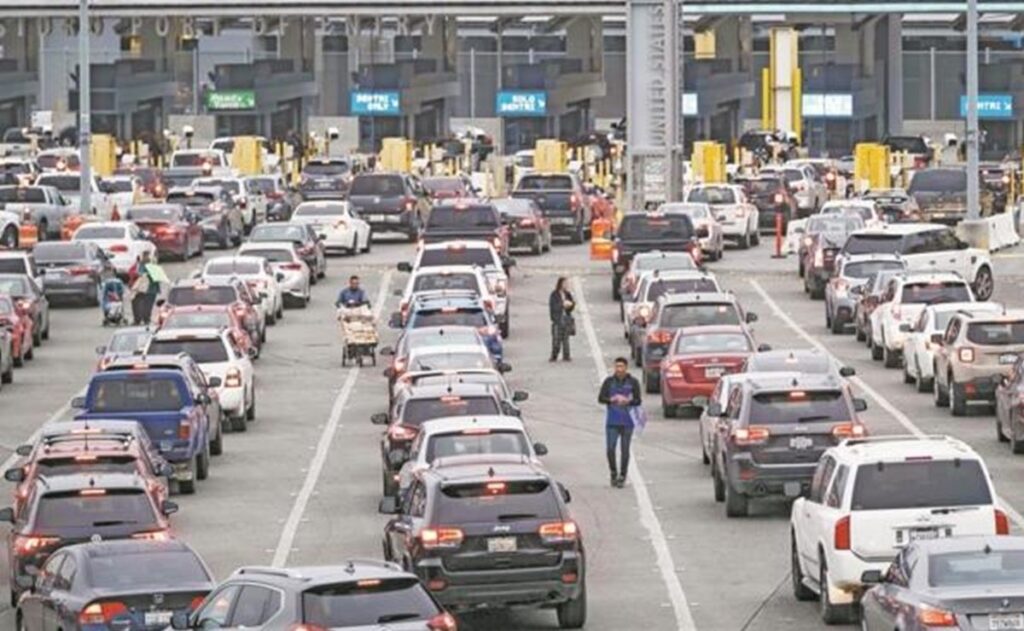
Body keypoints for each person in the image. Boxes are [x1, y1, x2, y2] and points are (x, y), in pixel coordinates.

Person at [598, 357, 642, 488]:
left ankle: (623, 475)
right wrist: (611, 400)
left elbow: (638, 400)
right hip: (612, 421)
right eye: (617, 366)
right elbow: (600, 398)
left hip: (627, 421)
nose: (619, 369)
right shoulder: (609, 382)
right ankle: (613, 472)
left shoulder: (633, 382)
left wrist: (628, 401)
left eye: (621, 366)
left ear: (626, 368)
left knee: (625, 449)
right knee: (610, 449)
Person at [548, 277, 574, 362]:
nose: (566, 285)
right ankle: (554, 355)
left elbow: (572, 304)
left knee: (566, 339)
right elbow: (553, 307)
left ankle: (566, 355)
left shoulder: (568, 294)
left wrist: (571, 305)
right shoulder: (554, 294)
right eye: (565, 283)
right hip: (557, 319)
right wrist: (562, 305)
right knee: (556, 339)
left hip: (566, 318)